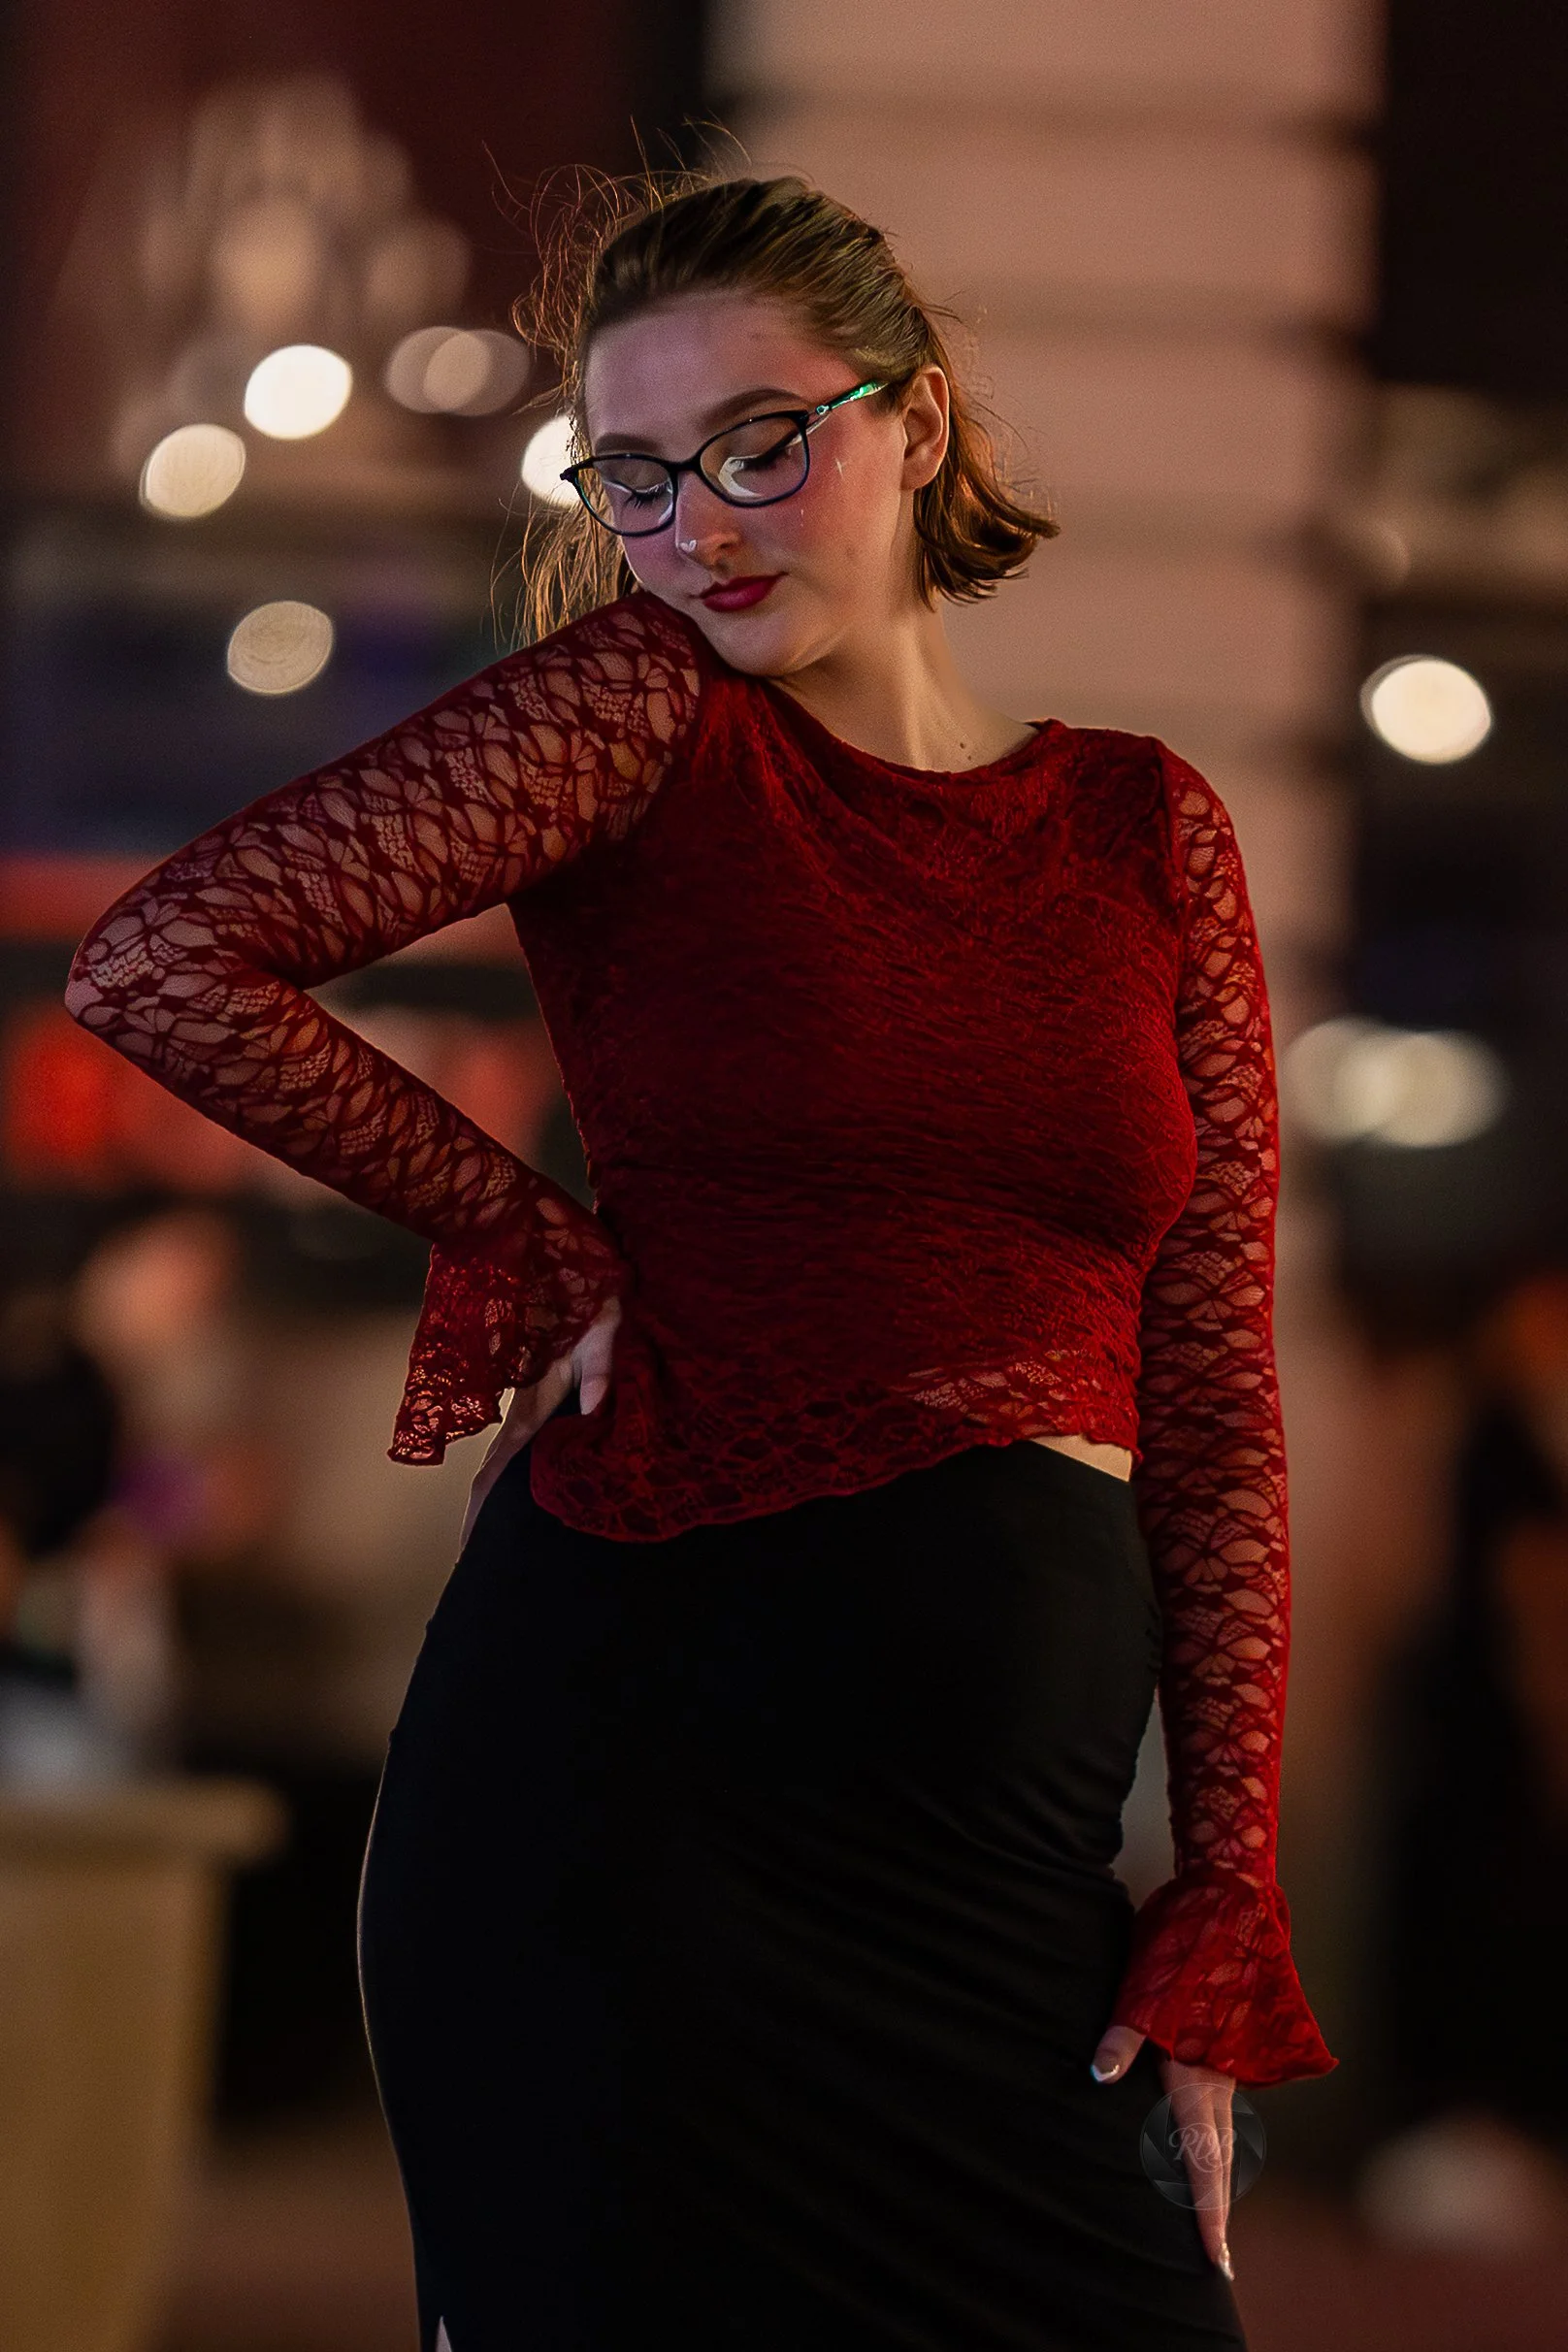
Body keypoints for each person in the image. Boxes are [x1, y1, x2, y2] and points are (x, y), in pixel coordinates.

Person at [66, 172, 1336, 2351]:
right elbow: (164, 960)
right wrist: (530, 1236)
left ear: (915, 423)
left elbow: (1212, 1396)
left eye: (760, 446)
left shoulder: (1148, 826)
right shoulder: (644, 714)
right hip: (629, 1810)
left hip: (1000, 1861)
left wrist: (1224, 1886)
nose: (696, 531)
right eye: (634, 476)